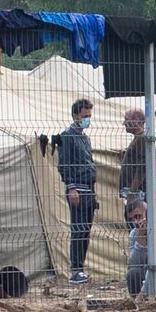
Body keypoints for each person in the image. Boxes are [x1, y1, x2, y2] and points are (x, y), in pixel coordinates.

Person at [57, 98, 97, 284]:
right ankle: (76, 270)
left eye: (89, 116)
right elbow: (64, 164)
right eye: (84, 116)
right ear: (75, 116)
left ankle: (80, 268)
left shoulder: (84, 137)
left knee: (86, 231)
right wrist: (71, 187)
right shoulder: (68, 136)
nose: (87, 119)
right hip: (78, 189)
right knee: (78, 229)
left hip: (89, 189)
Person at [118, 108, 152, 199]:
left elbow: (143, 167)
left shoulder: (142, 139)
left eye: (126, 119)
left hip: (137, 194)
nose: (124, 123)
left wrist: (132, 192)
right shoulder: (138, 139)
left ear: (136, 120)